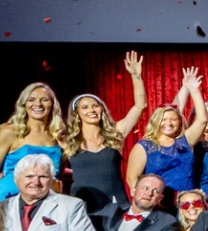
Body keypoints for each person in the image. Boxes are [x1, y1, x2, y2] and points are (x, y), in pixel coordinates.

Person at [63, 52, 148, 212]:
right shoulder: (68, 141)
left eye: (96, 105)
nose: (92, 110)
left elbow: (140, 106)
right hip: (82, 207)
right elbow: (57, 170)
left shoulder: (116, 133)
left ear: (101, 109)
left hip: (116, 204)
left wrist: (136, 76)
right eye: (85, 107)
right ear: (77, 114)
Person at [126, 68, 207, 203]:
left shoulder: (185, 141)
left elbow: (202, 120)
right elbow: (132, 179)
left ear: (179, 122)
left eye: (173, 119)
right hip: (158, 204)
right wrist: (145, 202)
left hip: (187, 204)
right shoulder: (145, 146)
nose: (168, 123)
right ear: (156, 121)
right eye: (164, 119)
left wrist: (194, 91)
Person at [0, 82, 67, 202]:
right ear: (24, 104)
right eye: (31, 99)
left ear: (53, 104)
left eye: (44, 100)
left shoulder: (59, 137)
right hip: (10, 199)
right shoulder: (10, 132)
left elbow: (58, 172)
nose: (38, 104)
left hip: (47, 201)